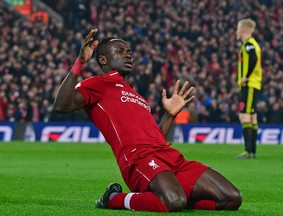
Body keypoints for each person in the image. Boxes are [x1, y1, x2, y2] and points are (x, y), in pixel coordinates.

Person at [53, 28, 242, 212]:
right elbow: (62, 105)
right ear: (103, 59)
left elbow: (157, 138)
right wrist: (79, 63)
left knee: (232, 198)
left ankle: (169, 197)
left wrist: (169, 116)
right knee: (174, 201)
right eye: (120, 51)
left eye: (129, 51)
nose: (128, 55)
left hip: (169, 156)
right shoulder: (97, 84)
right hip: (138, 158)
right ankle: (114, 199)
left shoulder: (138, 96)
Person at [236, 19, 262, 159]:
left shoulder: (249, 45)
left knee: (244, 115)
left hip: (249, 84)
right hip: (253, 84)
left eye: (238, 28)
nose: (237, 31)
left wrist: (246, 76)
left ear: (244, 30)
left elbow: (253, 59)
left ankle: (248, 150)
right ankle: (252, 151)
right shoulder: (252, 45)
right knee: (252, 116)